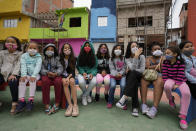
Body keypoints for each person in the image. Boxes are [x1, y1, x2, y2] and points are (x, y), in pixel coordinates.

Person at [162, 46, 190, 130]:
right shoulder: (165, 62)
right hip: (170, 79)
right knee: (167, 86)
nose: (166, 55)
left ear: (175, 54)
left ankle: (183, 116)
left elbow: (181, 73)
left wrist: (177, 84)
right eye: (166, 53)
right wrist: (166, 81)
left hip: (180, 80)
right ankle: (171, 99)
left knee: (186, 93)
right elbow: (164, 74)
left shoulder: (180, 62)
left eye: (168, 53)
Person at [116, 42, 145, 117]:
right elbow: (132, 68)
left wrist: (136, 57)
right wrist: (135, 57)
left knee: (133, 73)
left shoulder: (142, 57)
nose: (135, 47)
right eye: (133, 46)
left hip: (139, 76)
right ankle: (135, 107)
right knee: (133, 81)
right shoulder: (127, 58)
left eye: (136, 46)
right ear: (129, 48)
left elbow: (142, 70)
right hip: (132, 78)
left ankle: (124, 98)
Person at [15, 41, 42, 113]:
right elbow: (23, 65)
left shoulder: (39, 57)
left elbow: (38, 67)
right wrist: (23, 75)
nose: (32, 49)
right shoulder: (24, 56)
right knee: (22, 81)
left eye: (34, 48)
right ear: (27, 49)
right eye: (30, 48)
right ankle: (21, 100)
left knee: (32, 81)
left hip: (35, 75)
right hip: (26, 74)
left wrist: (33, 75)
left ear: (37, 50)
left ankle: (31, 100)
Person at [140, 41, 164, 118]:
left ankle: (154, 107)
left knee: (159, 83)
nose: (157, 50)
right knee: (143, 81)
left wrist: (151, 67)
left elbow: (163, 69)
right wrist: (157, 66)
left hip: (159, 76)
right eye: (155, 49)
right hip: (148, 75)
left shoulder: (163, 58)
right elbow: (146, 67)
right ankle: (144, 104)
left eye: (159, 49)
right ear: (151, 51)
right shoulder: (148, 58)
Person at [0, 36, 22, 114]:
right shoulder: (2, 53)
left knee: (13, 82)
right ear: (5, 44)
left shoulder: (20, 53)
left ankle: (15, 102)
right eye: (8, 42)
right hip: (3, 73)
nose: (10, 44)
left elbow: (19, 65)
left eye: (13, 42)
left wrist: (14, 74)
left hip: (14, 73)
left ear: (17, 44)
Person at [41, 43, 63, 115]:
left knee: (58, 82)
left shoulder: (57, 59)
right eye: (48, 49)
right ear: (45, 51)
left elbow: (60, 67)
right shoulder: (43, 59)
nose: (50, 51)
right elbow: (41, 69)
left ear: (54, 51)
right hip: (46, 75)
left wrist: (56, 73)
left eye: (52, 50)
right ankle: (46, 104)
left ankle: (57, 103)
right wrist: (47, 73)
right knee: (45, 81)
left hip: (56, 74)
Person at [60, 43, 79, 117]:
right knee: (64, 82)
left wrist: (68, 77)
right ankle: (70, 105)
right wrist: (65, 78)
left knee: (72, 81)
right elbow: (60, 70)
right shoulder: (60, 59)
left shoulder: (74, 58)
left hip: (71, 75)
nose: (67, 50)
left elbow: (72, 71)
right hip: (62, 76)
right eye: (65, 48)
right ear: (62, 50)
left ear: (71, 50)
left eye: (68, 48)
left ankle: (75, 105)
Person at [77, 41, 97, 106]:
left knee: (94, 81)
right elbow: (79, 66)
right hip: (82, 73)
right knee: (81, 82)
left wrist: (92, 74)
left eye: (89, 46)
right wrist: (83, 73)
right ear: (83, 47)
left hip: (91, 73)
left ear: (91, 47)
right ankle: (87, 95)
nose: (87, 47)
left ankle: (84, 96)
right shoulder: (80, 56)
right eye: (86, 46)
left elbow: (95, 67)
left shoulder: (94, 56)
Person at [107, 44, 126, 109]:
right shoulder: (111, 59)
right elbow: (111, 69)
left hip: (122, 76)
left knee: (123, 85)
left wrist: (120, 73)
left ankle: (122, 102)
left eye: (119, 49)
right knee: (112, 85)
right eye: (116, 48)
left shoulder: (124, 58)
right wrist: (116, 74)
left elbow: (124, 68)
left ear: (121, 50)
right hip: (113, 76)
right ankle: (110, 101)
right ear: (114, 50)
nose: (118, 50)